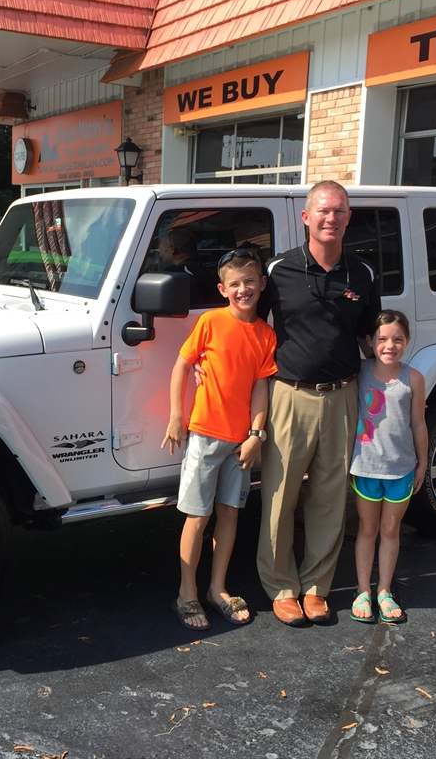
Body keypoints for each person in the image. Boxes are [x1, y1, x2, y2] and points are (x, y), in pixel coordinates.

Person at [256, 180, 381, 627]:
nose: (331, 218)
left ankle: (315, 588)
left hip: (343, 396)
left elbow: (370, 338)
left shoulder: (362, 273)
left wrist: (397, 387)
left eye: (339, 210)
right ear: (306, 217)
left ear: (349, 218)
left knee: (329, 497)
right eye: (323, 211)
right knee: (280, 496)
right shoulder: (278, 270)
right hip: (289, 396)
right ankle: (280, 586)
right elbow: (250, 327)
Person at [163, 249, 277, 630]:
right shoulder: (210, 322)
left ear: (262, 284)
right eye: (235, 284)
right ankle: (187, 592)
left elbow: (260, 388)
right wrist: (176, 416)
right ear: (222, 289)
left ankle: (217, 588)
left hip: (240, 442)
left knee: (230, 513)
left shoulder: (266, 335)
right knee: (198, 516)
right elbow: (182, 365)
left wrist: (256, 434)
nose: (243, 289)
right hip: (205, 436)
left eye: (250, 281)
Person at [349, 310, 427, 624]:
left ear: (407, 341)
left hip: (400, 469)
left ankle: (384, 590)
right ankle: (362, 590)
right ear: (370, 341)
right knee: (367, 530)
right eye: (382, 339)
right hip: (365, 466)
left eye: (397, 339)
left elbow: (418, 424)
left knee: (390, 531)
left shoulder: (413, 378)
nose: (389, 346)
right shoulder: (360, 371)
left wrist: (422, 463)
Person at [158, 229, 222, 307]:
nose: (160, 254)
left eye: (160, 249)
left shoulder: (173, 275)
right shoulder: (210, 272)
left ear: (172, 248)